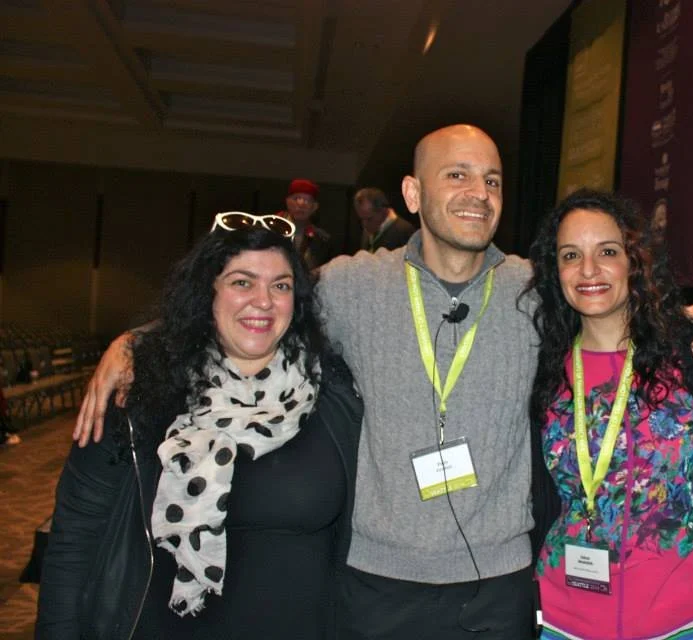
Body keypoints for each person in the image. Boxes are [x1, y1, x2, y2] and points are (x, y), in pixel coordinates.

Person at [71, 126, 693, 639]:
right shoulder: (353, 284)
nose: (477, 193)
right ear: (412, 191)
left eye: (493, 179)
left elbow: (690, 330)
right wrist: (137, 341)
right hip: (378, 589)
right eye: (456, 176)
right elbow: (252, 307)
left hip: (508, 592)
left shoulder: (533, 289)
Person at [38, 214, 362, 639]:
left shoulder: (332, 391)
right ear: (205, 292)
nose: (263, 301)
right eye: (241, 282)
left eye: (280, 285)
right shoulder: (138, 391)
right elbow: (75, 535)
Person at [525, 189, 693, 639]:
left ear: (635, 261)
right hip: (563, 620)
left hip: (681, 618)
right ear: (554, 271)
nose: (589, 270)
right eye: (571, 255)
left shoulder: (691, 352)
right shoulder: (539, 366)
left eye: (607, 252)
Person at [283, 178, 333, 269]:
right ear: (287, 202)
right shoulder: (272, 228)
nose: (301, 204)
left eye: (307, 200)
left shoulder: (321, 239)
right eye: (296, 198)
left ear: (315, 207)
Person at [353, 187, 416, 251]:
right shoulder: (368, 230)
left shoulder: (404, 230)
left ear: (383, 211)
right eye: (361, 219)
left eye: (369, 219)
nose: (364, 224)